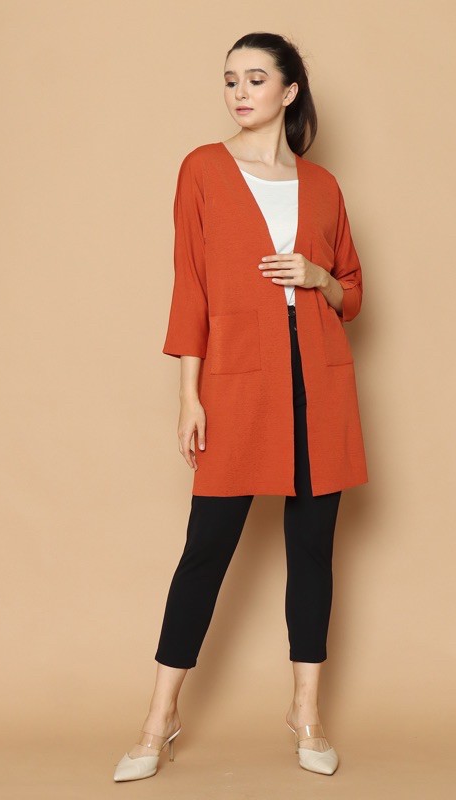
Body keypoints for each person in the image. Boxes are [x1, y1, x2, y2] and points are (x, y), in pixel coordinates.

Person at [114, 31, 368, 782]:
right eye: (230, 79)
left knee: (312, 551)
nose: (239, 92)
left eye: (256, 79)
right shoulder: (202, 169)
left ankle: (306, 713)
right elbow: (189, 286)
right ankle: (158, 720)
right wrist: (189, 395)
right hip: (238, 382)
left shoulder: (323, 186)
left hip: (319, 382)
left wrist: (319, 276)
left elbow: (354, 292)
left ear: (289, 92)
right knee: (207, 550)